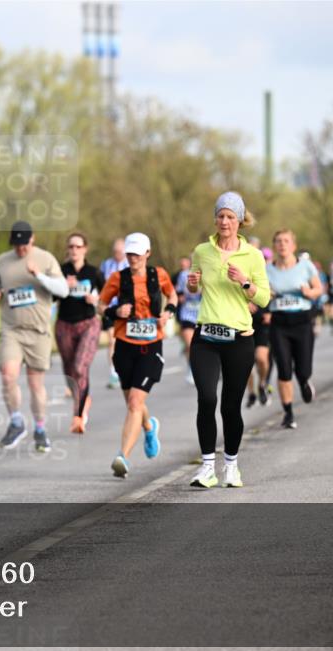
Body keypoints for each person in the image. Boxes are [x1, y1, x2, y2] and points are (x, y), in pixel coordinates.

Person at [185, 192, 270, 489]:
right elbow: (194, 288)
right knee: (206, 399)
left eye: (230, 217)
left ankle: (231, 467)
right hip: (206, 336)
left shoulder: (254, 256)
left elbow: (264, 297)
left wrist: (245, 281)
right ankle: (207, 467)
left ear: (240, 220)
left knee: (230, 407)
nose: (224, 221)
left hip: (239, 339)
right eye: (220, 215)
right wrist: (191, 285)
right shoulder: (201, 252)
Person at [98, 232, 175, 477]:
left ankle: (123, 458)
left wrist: (169, 311)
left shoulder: (158, 275)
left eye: (137, 254)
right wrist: (115, 311)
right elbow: (100, 305)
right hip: (124, 346)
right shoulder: (117, 278)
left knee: (134, 402)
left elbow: (172, 295)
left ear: (147, 254)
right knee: (133, 402)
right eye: (130, 253)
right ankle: (149, 427)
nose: (133, 258)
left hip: (151, 345)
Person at [0, 222, 67, 451]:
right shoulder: (3, 261)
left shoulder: (45, 259)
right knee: (8, 374)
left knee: (36, 384)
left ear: (32, 239)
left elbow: (63, 290)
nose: (20, 249)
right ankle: (16, 421)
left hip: (38, 331)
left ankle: (40, 428)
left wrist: (39, 276)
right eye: (16, 245)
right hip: (11, 329)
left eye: (23, 244)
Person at [266, 230, 322, 429]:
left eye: (286, 241)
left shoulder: (305, 266)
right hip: (279, 323)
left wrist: (309, 292)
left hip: (302, 321)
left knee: (303, 368)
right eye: (278, 241)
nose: (282, 244)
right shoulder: (267, 269)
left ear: (294, 246)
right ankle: (288, 413)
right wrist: (267, 296)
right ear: (274, 246)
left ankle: (305, 381)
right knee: (283, 368)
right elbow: (260, 294)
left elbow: (319, 289)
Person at [55, 233, 104, 434]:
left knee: (80, 366)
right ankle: (83, 398)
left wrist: (96, 300)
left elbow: (108, 299)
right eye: (71, 247)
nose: (74, 250)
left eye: (78, 246)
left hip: (88, 324)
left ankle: (79, 415)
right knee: (69, 372)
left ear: (85, 249)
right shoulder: (60, 271)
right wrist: (63, 288)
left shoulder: (94, 272)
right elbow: (49, 297)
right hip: (64, 324)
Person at [100, 238, 128, 388]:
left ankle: (126, 369)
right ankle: (113, 373)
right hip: (110, 309)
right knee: (112, 340)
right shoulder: (105, 265)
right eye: (115, 251)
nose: (117, 254)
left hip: (127, 309)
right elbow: (100, 284)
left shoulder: (130, 264)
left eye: (120, 251)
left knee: (124, 341)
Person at [174, 256, 202, 385]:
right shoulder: (184, 275)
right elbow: (179, 291)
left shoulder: (208, 274)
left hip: (204, 315)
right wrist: (180, 296)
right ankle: (192, 369)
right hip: (187, 314)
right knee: (190, 344)